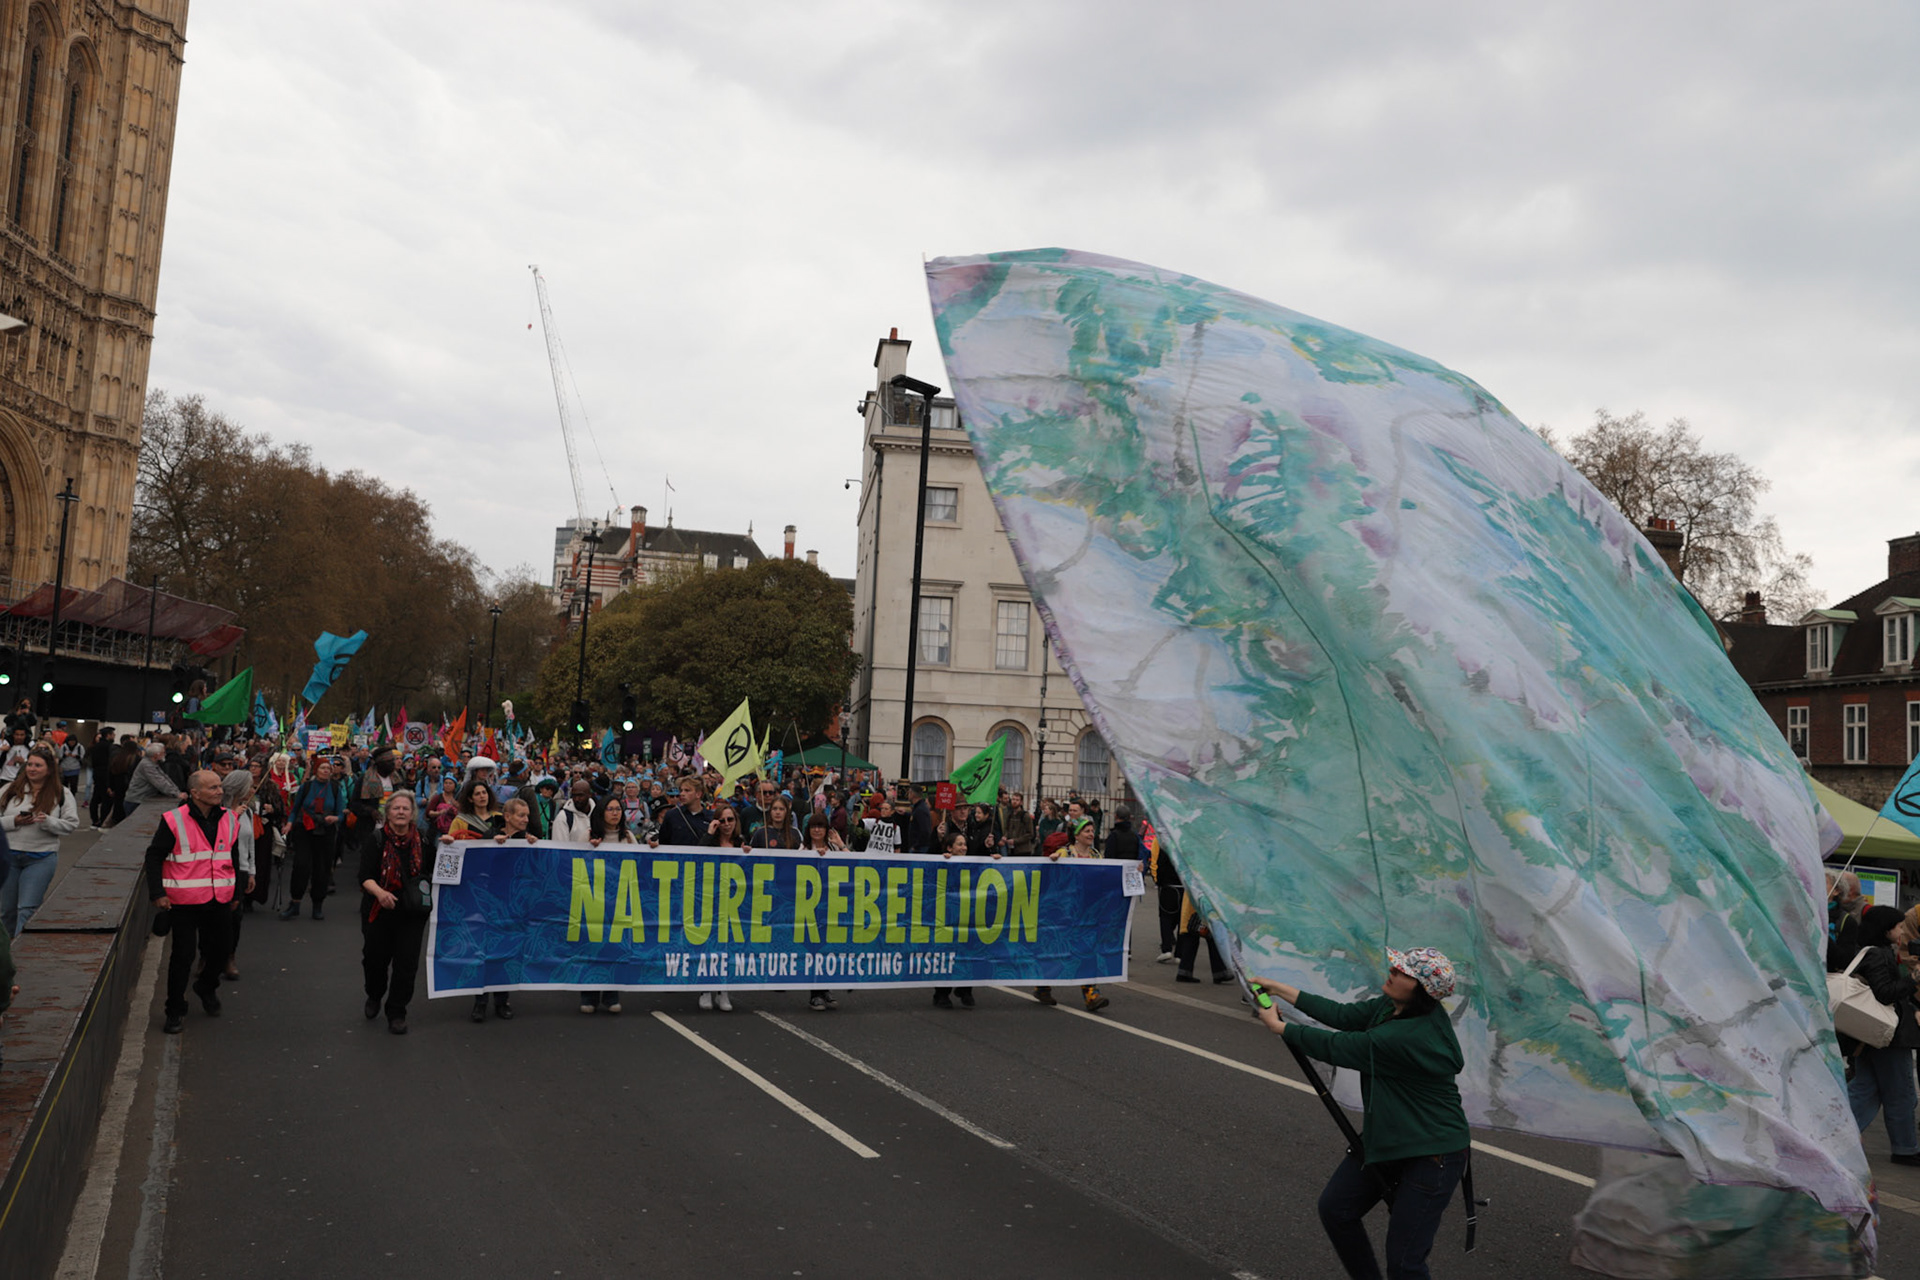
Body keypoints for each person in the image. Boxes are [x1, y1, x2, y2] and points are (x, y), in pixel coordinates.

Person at [1253, 949, 1469, 1280]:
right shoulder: (1392, 1007)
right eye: (1396, 965)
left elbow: (1342, 1047)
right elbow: (1342, 1016)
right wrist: (1279, 988)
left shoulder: (1408, 1036)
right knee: (1336, 1209)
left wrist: (1281, 1028)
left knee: (1404, 1263)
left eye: (1403, 972)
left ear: (1421, 990)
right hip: (1391, 1135)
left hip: (1432, 1151)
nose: (1392, 971)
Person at [145, 771, 249, 1034]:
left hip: (220, 899)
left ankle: (206, 986)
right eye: (213, 788)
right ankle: (174, 1010)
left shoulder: (228, 818)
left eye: (219, 787)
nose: (219, 791)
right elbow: (154, 856)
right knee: (183, 956)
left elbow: (231, 856)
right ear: (195, 793)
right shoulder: (174, 820)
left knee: (222, 950)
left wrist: (235, 893)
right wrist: (158, 893)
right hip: (184, 901)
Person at [1842, 904, 1920, 1166]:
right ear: (1886, 929)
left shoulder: (1875, 952)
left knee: (1866, 1089)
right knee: (1902, 1092)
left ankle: (1838, 1135)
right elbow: (1885, 992)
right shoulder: (1877, 955)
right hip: (1887, 1035)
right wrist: (1914, 978)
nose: (1901, 932)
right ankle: (1906, 1149)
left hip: (1871, 1034)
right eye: (1898, 927)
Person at [359, 790, 432, 1034]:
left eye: (406, 808)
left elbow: (437, 872)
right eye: (396, 808)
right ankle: (374, 993)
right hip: (379, 910)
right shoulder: (377, 839)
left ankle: (397, 1011)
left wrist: (451, 846)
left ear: (413, 814)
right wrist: (380, 893)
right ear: (387, 812)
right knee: (374, 961)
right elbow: (365, 877)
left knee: (406, 965)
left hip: (412, 913)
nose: (401, 812)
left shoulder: (423, 839)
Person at [0, 746, 77, 934]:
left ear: (49, 769)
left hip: (41, 857)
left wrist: (49, 822)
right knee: (5, 912)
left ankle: (20, 955)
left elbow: (71, 824)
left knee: (27, 909)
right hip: (9, 857)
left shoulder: (62, 793)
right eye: (30, 764)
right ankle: (5, 957)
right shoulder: (9, 789)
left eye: (38, 765)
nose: (32, 769)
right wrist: (14, 821)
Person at [1036, 818, 1111, 1011]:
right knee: (1057, 951)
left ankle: (1091, 995)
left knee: (1086, 950)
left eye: (1092, 830)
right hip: (1064, 913)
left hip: (1087, 914)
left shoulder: (1096, 855)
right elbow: (1052, 875)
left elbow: (1109, 876)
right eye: (1086, 830)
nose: (1090, 834)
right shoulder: (1065, 853)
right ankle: (1042, 986)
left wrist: (1132, 871)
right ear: (1076, 835)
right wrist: (1052, 860)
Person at [578, 796, 640, 1017]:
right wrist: (589, 849)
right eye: (610, 809)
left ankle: (611, 995)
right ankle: (589, 996)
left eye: (618, 809)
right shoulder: (586, 836)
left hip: (620, 902)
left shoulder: (628, 837)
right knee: (593, 947)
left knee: (616, 948)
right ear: (601, 812)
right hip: (593, 901)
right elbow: (573, 862)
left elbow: (640, 864)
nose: (615, 813)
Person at [932, 828, 998, 1009]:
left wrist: (992, 857)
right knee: (948, 954)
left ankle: (965, 989)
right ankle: (941, 994)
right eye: (959, 844)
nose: (963, 848)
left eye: (965, 844)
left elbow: (983, 868)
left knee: (969, 951)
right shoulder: (943, 862)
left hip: (968, 916)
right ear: (949, 847)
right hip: (948, 916)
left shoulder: (971, 863)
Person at [281, 756, 342, 920]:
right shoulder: (306, 787)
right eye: (323, 768)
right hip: (305, 829)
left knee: (321, 869)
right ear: (316, 770)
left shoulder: (336, 788)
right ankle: (295, 903)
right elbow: (295, 809)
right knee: (301, 865)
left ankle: (317, 905)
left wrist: (335, 819)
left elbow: (341, 813)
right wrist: (290, 823)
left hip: (326, 831)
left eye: (328, 769)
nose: (326, 771)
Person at [218, 768, 260, 979]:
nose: (252, 790)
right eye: (249, 786)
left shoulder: (248, 811)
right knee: (215, 918)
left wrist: (251, 871)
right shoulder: (219, 810)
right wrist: (233, 816)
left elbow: (249, 841)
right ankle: (207, 957)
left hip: (241, 869)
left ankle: (229, 957)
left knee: (236, 917)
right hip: (219, 869)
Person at [656, 778, 714, 847]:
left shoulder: (711, 817)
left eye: (687, 790)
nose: (682, 794)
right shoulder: (672, 815)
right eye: (681, 790)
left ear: (698, 794)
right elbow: (663, 843)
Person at [125, 741, 181, 809]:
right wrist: (177, 794)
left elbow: (164, 778)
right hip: (136, 801)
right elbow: (160, 782)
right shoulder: (147, 765)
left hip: (140, 799)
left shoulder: (152, 763)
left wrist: (176, 791)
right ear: (156, 755)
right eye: (162, 752)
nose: (165, 754)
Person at [999, 791, 1034, 858]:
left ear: (1021, 802)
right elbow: (1007, 829)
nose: (1014, 802)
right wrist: (1005, 836)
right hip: (1011, 849)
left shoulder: (1025, 816)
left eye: (1017, 800)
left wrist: (1015, 841)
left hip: (1023, 850)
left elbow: (1030, 834)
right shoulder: (1009, 814)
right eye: (1013, 799)